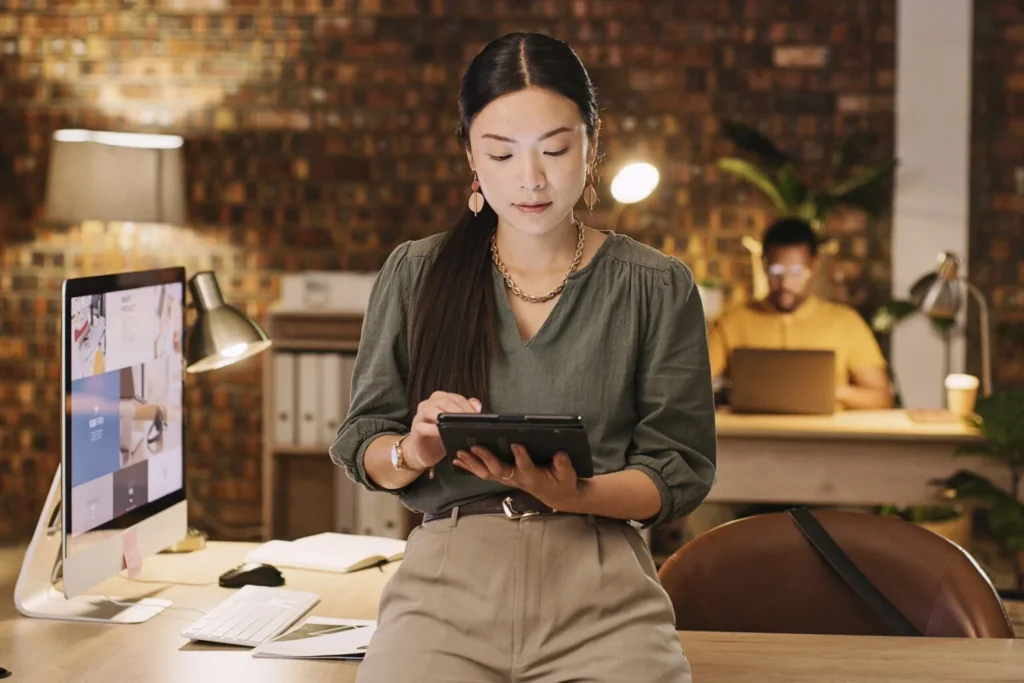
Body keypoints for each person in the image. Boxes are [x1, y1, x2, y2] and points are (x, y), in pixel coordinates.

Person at [330, 32, 717, 683]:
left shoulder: (656, 284)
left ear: (591, 144)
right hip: (446, 587)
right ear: (471, 158)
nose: (530, 178)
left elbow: (678, 470)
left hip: (599, 586)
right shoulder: (416, 271)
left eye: (556, 149)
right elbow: (362, 440)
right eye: (502, 153)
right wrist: (414, 450)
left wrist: (576, 492)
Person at [707, 217, 893, 410]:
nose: (786, 283)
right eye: (776, 270)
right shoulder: (732, 322)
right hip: (754, 436)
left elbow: (881, 399)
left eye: (796, 272)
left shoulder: (846, 323)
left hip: (822, 437)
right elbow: (688, 386)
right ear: (763, 266)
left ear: (814, 267)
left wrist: (832, 391)